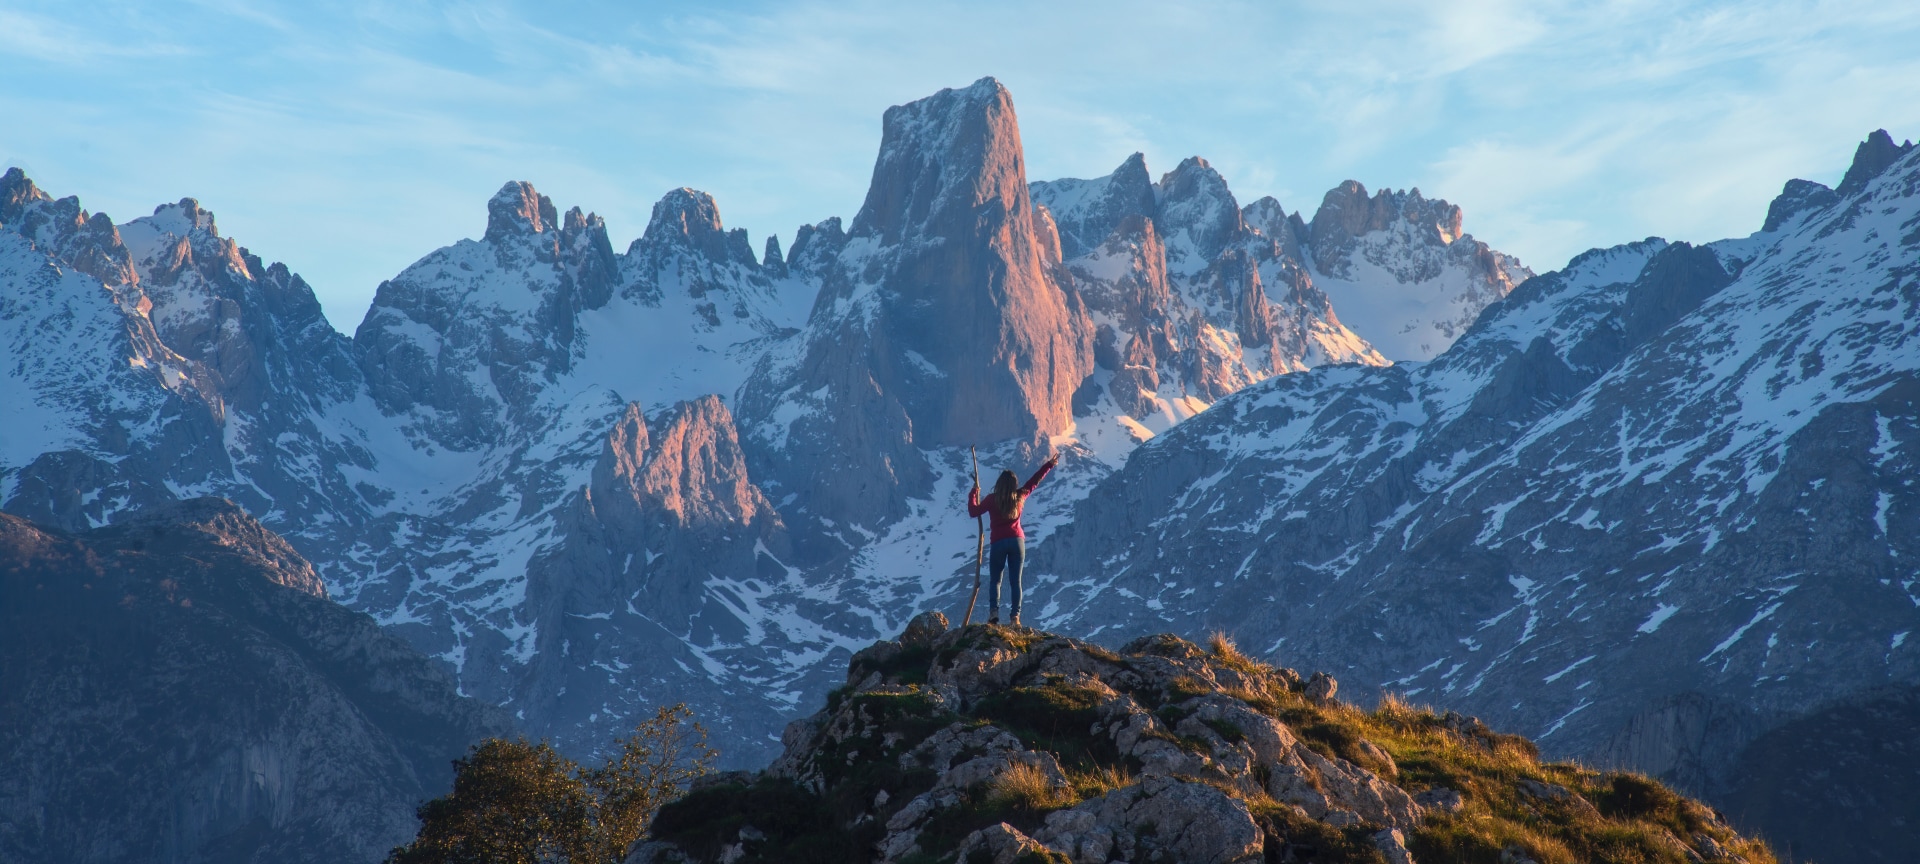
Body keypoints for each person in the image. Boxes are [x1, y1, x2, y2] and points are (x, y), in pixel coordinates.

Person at [967, 454, 1059, 627]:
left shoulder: (991, 500)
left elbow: (973, 511)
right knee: (1016, 581)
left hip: (998, 543)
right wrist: (1049, 464)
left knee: (996, 580)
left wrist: (974, 492)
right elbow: (1034, 481)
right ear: (1014, 484)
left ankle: (994, 614)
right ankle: (1015, 618)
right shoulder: (1020, 497)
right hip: (1017, 541)